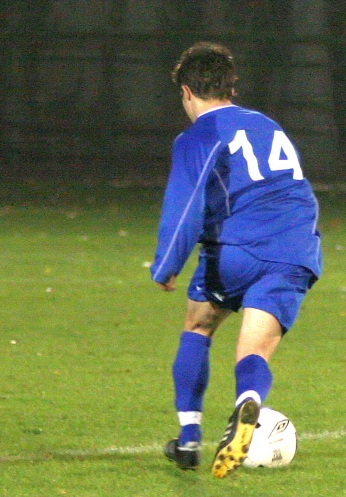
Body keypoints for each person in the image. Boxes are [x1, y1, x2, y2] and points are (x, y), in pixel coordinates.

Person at [151, 42, 322, 478]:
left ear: (187, 92)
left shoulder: (199, 135)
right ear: (231, 85)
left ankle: (188, 440)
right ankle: (248, 400)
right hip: (295, 250)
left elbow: (185, 205)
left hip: (238, 251)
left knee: (199, 325)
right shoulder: (267, 124)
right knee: (254, 351)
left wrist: (167, 264)